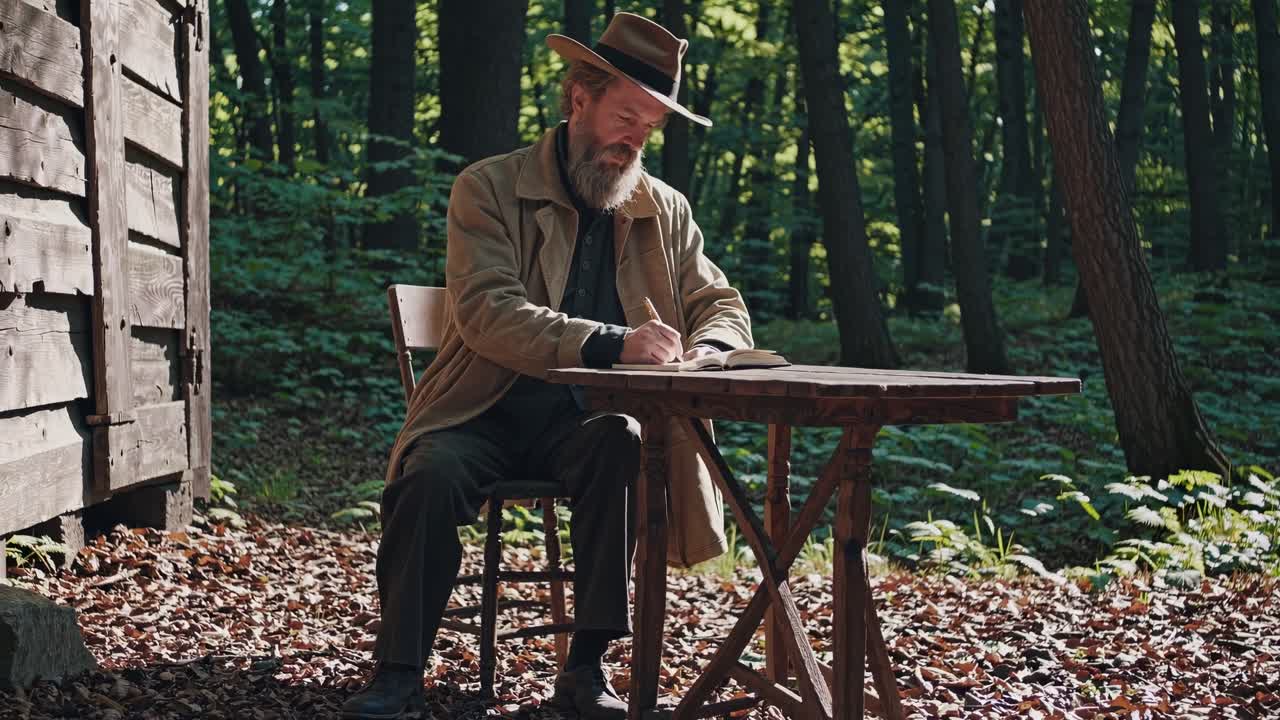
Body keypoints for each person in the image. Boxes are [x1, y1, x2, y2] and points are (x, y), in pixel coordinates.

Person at [341, 12, 752, 720]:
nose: (634, 139)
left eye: (649, 127)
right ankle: (398, 673)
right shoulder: (488, 187)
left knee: (625, 441)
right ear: (579, 97)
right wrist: (613, 342)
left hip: (585, 423)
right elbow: (487, 311)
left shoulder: (666, 209)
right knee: (429, 476)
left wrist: (706, 350)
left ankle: (586, 670)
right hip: (480, 408)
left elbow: (722, 304)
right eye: (626, 115)